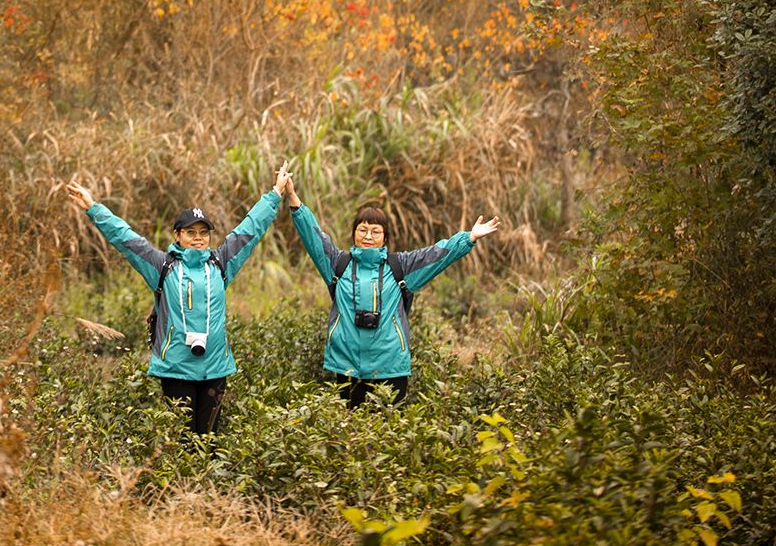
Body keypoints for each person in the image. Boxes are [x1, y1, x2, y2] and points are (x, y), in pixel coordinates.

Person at [65, 167, 290, 434]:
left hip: (215, 368)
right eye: (190, 232)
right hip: (176, 367)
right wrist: (93, 207)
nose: (198, 238)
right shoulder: (162, 266)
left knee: (209, 442)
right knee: (181, 443)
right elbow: (126, 239)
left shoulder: (221, 263)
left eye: (203, 233)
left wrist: (276, 193)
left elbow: (249, 228)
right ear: (177, 235)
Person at [281, 176, 499, 407]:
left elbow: (436, 255)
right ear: (354, 233)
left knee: (388, 431)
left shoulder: (401, 268)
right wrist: (293, 198)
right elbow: (313, 237)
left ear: (385, 238)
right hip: (346, 365)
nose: (367, 236)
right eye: (362, 230)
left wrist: (469, 237)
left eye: (375, 232)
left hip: (390, 365)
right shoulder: (337, 264)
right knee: (348, 434)